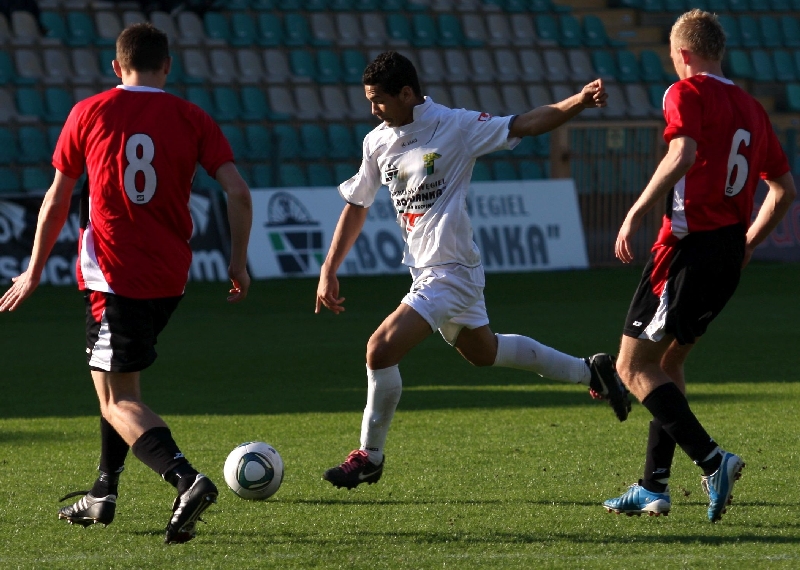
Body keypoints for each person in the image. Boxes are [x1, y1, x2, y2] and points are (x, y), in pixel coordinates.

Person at [315, 51, 630, 491]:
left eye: (380, 100)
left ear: (407, 93)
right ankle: (591, 371)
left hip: (451, 272)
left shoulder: (455, 126)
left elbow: (524, 123)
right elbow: (357, 204)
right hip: (426, 272)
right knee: (484, 352)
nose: (373, 110)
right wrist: (330, 267)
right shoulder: (377, 142)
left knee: (379, 349)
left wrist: (576, 102)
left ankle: (370, 455)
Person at [0, 23, 253, 543]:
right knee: (115, 383)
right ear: (168, 66)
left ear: (116, 67)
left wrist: (33, 268)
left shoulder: (89, 112)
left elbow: (57, 200)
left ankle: (186, 480)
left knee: (118, 399)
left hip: (116, 276)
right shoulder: (192, 116)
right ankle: (102, 492)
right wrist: (238, 262)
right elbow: (238, 192)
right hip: (170, 275)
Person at [602, 9, 796, 523]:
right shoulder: (753, 110)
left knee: (631, 365)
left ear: (682, 54)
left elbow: (683, 152)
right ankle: (653, 486)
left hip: (685, 250)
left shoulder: (683, 92)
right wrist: (749, 242)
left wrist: (637, 210)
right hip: (728, 252)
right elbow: (784, 191)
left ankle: (713, 461)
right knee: (667, 365)